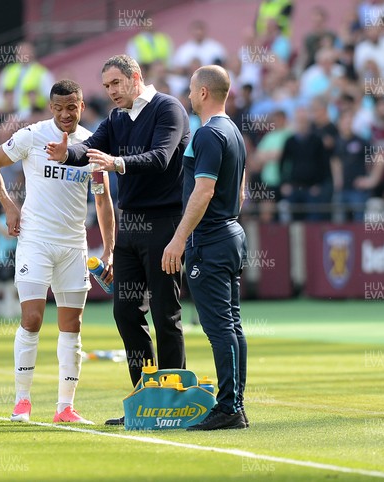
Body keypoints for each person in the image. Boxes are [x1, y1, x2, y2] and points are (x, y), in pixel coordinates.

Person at [46, 55, 190, 426]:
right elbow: (90, 148)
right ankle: (145, 400)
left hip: (165, 222)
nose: (110, 92)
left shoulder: (168, 109)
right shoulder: (115, 119)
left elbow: (161, 158)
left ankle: (173, 404)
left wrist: (116, 163)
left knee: (165, 313)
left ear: (135, 78)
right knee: (126, 313)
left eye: (115, 84)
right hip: (131, 226)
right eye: (106, 86)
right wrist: (68, 154)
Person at [0, 79, 115, 424]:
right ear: (50, 107)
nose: (65, 114)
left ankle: (65, 408)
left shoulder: (92, 145)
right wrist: (9, 206)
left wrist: (110, 248)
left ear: (82, 106)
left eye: (72, 107)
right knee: (33, 319)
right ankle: (22, 401)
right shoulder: (32, 135)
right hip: (36, 241)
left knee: (73, 326)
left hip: (73, 245)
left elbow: (102, 199)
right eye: (58, 108)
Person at [162, 65, 248, 430]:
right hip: (229, 232)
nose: (188, 95)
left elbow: (204, 189)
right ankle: (234, 404)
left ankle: (229, 406)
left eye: (191, 89)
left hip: (210, 240)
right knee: (232, 325)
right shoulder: (233, 132)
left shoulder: (210, 134)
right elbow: (240, 193)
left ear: (203, 93)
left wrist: (179, 239)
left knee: (219, 327)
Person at [0, 41, 55, 116]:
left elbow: (51, 98)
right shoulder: (8, 71)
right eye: (20, 52)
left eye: (26, 51)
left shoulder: (42, 73)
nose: (23, 54)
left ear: (33, 53)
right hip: (10, 113)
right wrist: (6, 106)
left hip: (34, 113)